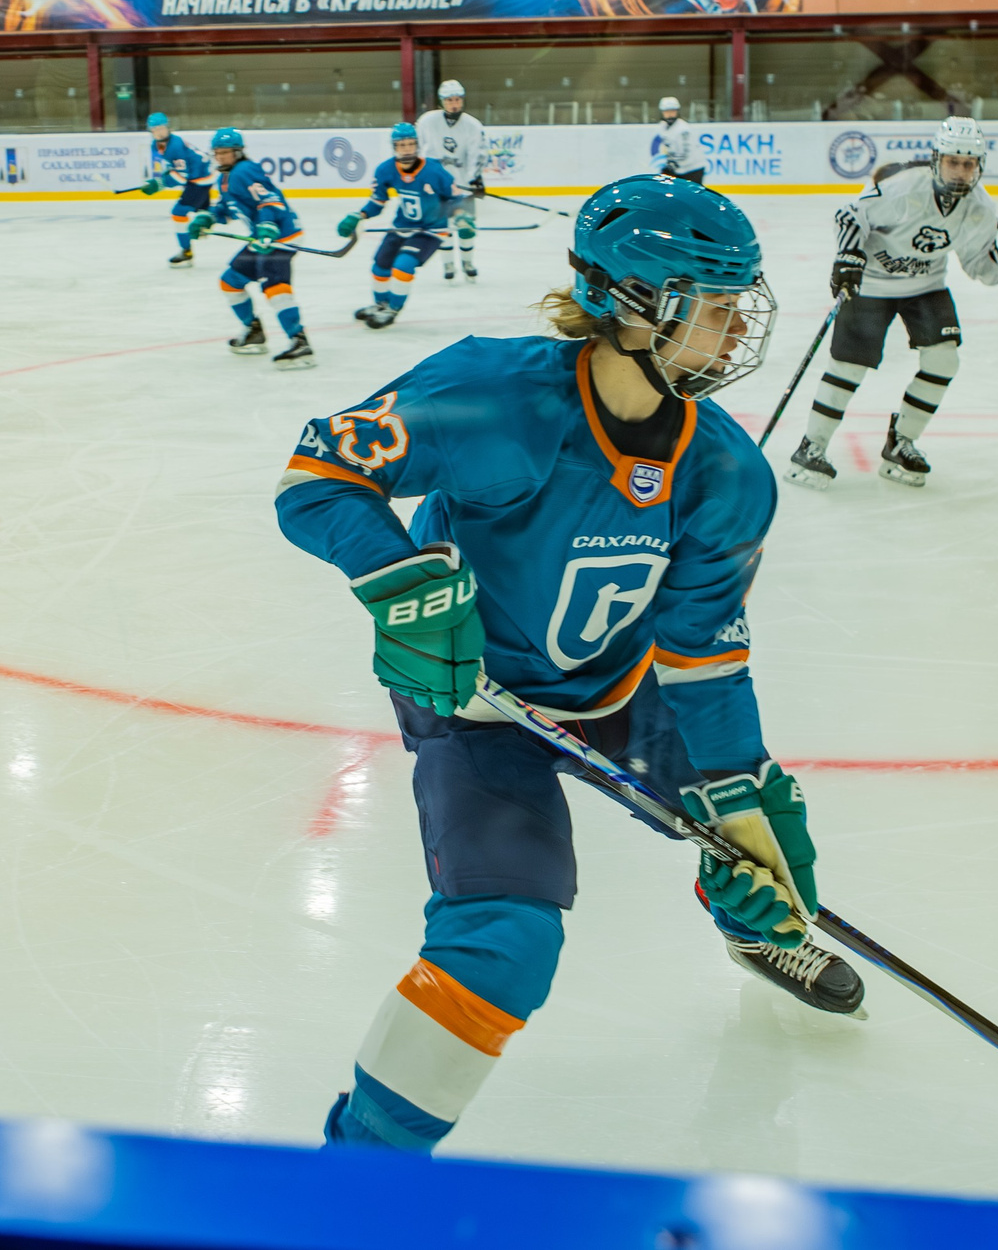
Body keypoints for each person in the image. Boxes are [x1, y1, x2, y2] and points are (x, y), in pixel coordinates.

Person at [279, 175, 860, 1158]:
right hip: (478, 705)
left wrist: (737, 801)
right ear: (630, 303)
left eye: (738, 305)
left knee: (770, 833)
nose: (736, 331)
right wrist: (400, 582)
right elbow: (318, 477)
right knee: (505, 942)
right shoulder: (496, 399)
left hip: (620, 691)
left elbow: (704, 652)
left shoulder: (726, 473)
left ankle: (746, 922)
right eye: (713, 306)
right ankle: (362, 1170)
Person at [786, 116, 998, 490]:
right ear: (936, 159)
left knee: (944, 360)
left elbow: (980, 257)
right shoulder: (904, 188)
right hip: (873, 285)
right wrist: (848, 256)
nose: (960, 171)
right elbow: (851, 216)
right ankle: (812, 446)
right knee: (849, 366)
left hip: (925, 287)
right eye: (953, 161)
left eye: (968, 163)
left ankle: (901, 442)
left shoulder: (979, 207)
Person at [188, 127, 314, 368]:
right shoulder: (225, 178)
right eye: (217, 152)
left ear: (237, 152)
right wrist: (208, 218)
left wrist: (267, 225)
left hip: (281, 237)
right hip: (261, 239)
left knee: (275, 286)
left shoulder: (245, 170)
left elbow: (269, 199)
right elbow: (226, 208)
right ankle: (254, 331)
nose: (220, 157)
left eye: (225, 152)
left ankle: (300, 342)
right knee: (230, 281)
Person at [338, 122, 459, 328]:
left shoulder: (434, 170)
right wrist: (359, 215)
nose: (407, 149)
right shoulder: (385, 170)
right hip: (402, 226)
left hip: (431, 230)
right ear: (394, 147)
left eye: (411, 144)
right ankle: (381, 304)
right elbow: (378, 202)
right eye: (402, 145)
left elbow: (456, 199)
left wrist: (462, 217)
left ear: (417, 145)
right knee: (380, 265)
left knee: (404, 266)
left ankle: (393, 309)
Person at [415, 79, 487, 282]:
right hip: (436, 186)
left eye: (457, 99)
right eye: (449, 100)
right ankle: (448, 263)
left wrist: (474, 178)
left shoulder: (473, 125)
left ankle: (467, 262)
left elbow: (477, 154)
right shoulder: (427, 121)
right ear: (442, 101)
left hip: (462, 184)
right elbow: (418, 149)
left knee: (466, 226)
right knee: (442, 226)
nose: (454, 104)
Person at [133, 112, 213, 266]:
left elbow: (184, 175)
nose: (159, 132)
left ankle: (187, 250)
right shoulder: (156, 145)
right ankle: (203, 223)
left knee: (178, 212)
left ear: (168, 128)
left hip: (199, 180)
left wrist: (161, 183)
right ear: (150, 131)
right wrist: (161, 180)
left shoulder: (174, 146)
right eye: (155, 129)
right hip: (197, 178)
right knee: (202, 213)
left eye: (161, 128)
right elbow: (175, 169)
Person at [652, 96, 703, 187]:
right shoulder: (663, 126)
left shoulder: (683, 129)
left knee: (689, 194)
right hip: (679, 168)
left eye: (672, 111)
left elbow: (685, 151)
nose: (670, 115)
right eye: (667, 112)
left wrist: (673, 164)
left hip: (692, 168)